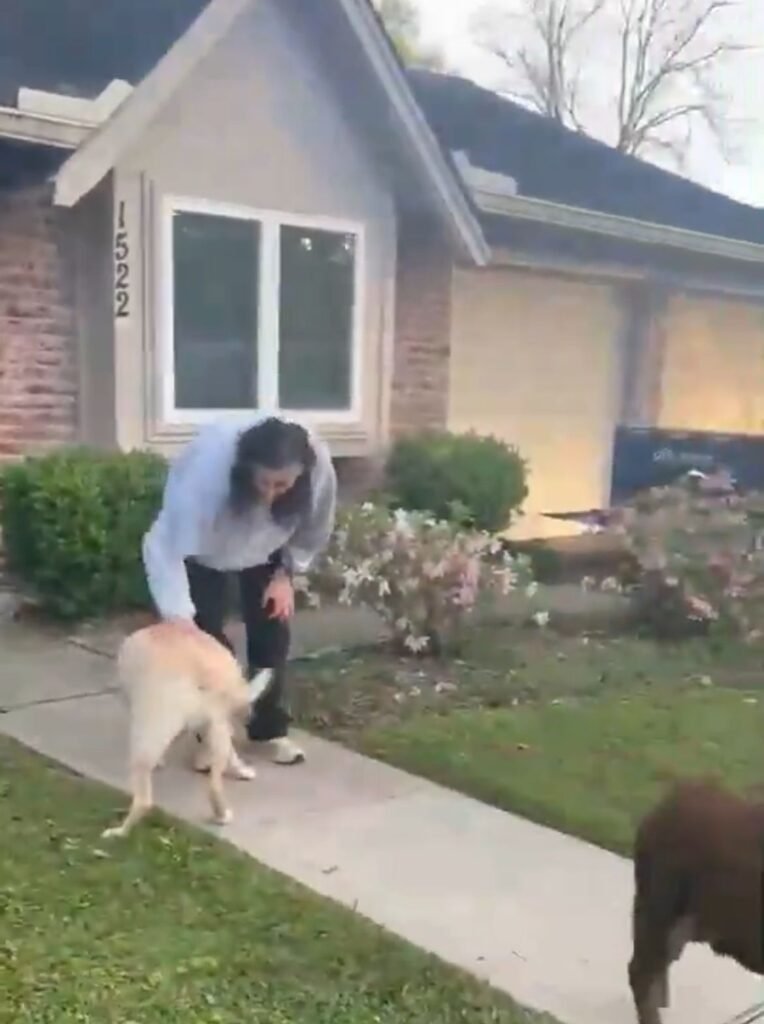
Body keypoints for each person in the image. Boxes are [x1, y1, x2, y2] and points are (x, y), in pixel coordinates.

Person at [142, 413, 337, 765]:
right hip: (203, 550)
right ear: (247, 467)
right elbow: (165, 546)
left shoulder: (316, 465)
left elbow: (315, 527)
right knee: (208, 648)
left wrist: (285, 575)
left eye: (282, 485)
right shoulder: (205, 479)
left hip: (268, 547)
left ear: (301, 473)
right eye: (264, 482)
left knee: (272, 634)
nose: (270, 493)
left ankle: (268, 731)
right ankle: (213, 739)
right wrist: (180, 617)